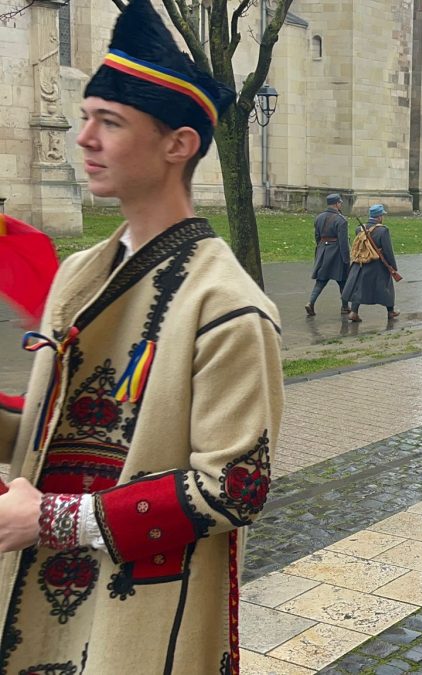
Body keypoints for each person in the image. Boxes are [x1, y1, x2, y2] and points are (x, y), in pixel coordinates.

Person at [0, 1, 284, 670]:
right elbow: (61, 431)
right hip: (36, 610)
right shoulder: (77, 274)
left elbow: (234, 487)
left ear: (177, 144)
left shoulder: (230, 306)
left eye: (110, 121)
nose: (84, 138)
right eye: (86, 118)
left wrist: (48, 519)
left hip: (144, 625)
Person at [343, 204, 400, 322]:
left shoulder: (359, 228)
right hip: (378, 264)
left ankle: (354, 312)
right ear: (379, 217)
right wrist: (392, 266)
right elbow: (388, 250)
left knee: (359, 288)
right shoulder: (383, 230)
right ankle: (391, 312)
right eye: (382, 215)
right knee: (386, 288)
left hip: (361, 263)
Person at [306, 193, 351, 316]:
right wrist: (346, 259)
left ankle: (310, 303)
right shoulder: (341, 220)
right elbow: (343, 242)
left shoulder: (318, 217)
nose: (341, 204)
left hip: (322, 251)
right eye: (340, 202)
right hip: (337, 254)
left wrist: (322, 249)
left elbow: (317, 237)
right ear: (337, 203)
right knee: (343, 281)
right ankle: (345, 307)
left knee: (321, 281)